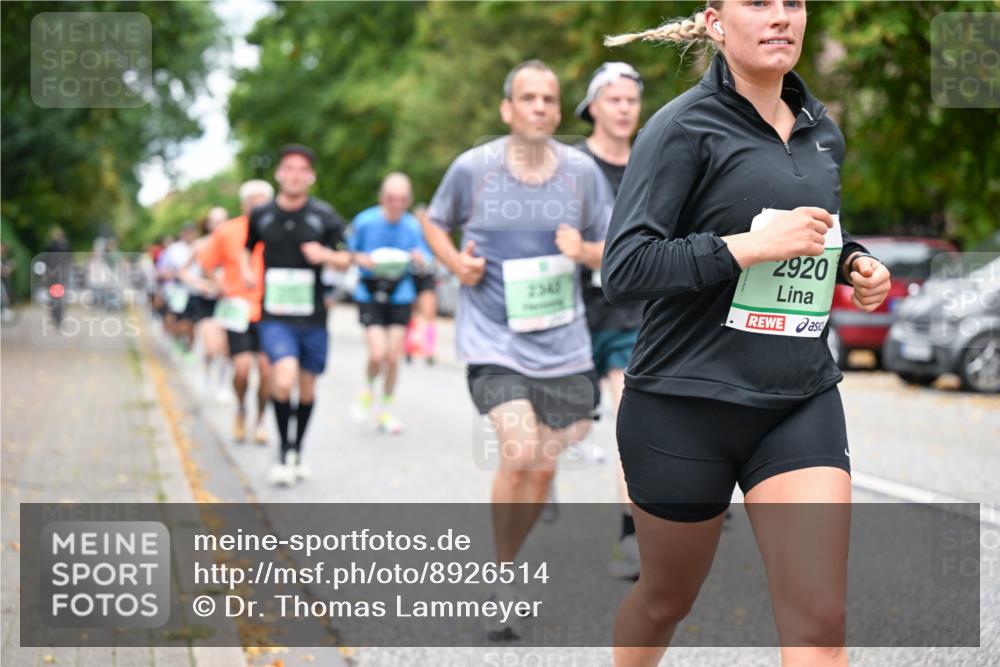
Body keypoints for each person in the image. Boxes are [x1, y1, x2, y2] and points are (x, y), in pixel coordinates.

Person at [601, 3, 891, 665]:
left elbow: (815, 234)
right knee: (666, 599)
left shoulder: (823, 131)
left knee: (819, 620)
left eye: (793, 2)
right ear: (714, 20)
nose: (781, 16)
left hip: (797, 398)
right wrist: (746, 247)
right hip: (683, 405)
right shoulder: (679, 128)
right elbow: (625, 268)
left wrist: (854, 263)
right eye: (758, 2)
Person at [423, 60, 614, 638]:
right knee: (521, 448)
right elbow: (433, 223)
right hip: (492, 337)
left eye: (548, 99)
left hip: (563, 341)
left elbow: (614, 249)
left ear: (558, 111)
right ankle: (503, 575)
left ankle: (513, 553)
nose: (538, 107)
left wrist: (583, 251)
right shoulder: (473, 169)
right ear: (507, 109)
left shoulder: (582, 173)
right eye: (527, 98)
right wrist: (456, 263)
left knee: (540, 465)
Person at [242, 144, 352, 486]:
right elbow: (248, 249)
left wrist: (326, 256)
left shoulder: (325, 215)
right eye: (288, 168)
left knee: (306, 389)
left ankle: (297, 450)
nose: (294, 175)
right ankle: (283, 451)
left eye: (301, 170)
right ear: (279, 174)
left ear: (311, 177)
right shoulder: (262, 215)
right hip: (275, 314)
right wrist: (248, 272)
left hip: (313, 316)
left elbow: (349, 257)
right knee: (283, 377)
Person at [573, 61, 645, 579]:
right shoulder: (568, 166)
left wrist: (594, 252)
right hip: (569, 316)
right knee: (570, 425)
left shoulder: (651, 162)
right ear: (593, 106)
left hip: (631, 312)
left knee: (631, 421)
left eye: (631, 99)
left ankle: (631, 535)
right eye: (614, 99)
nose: (624, 108)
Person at [348, 172, 429, 435]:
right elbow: (349, 253)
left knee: (393, 358)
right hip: (370, 293)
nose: (397, 203)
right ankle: (367, 391)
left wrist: (420, 258)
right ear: (383, 197)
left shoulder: (412, 226)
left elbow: (425, 256)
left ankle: (385, 410)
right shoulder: (366, 221)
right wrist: (363, 260)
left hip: (400, 294)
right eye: (392, 198)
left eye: (403, 199)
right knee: (377, 353)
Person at [199, 181, 275, 444]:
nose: (259, 206)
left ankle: (262, 419)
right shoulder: (228, 231)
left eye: (263, 201)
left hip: (271, 309)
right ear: (244, 204)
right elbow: (206, 262)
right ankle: (242, 408)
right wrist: (220, 286)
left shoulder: (277, 229)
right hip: (238, 310)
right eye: (253, 201)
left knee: (267, 371)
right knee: (241, 369)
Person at [180, 208, 231, 400]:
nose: (218, 225)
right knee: (211, 347)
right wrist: (201, 284)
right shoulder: (200, 245)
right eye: (214, 221)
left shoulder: (236, 244)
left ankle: (223, 384)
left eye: (222, 220)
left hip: (227, 301)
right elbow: (183, 272)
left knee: (226, 348)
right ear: (208, 224)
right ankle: (207, 374)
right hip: (205, 301)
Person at [405, 204, 439, 365]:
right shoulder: (410, 233)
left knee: (429, 312)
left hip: (427, 276)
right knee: (412, 313)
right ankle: (409, 347)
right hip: (411, 275)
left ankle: (429, 349)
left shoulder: (433, 235)